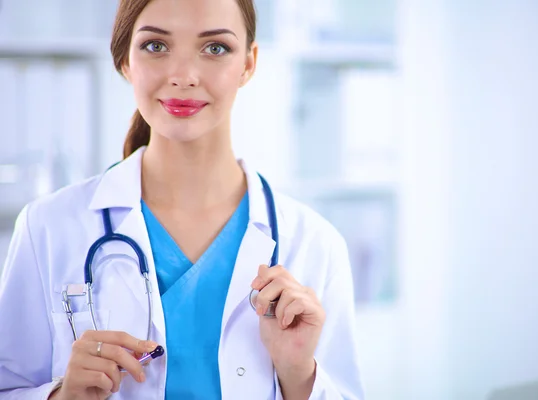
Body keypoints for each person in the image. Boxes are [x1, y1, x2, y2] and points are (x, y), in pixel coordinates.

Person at [0, 0, 363, 399]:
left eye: (215, 48)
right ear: (124, 60)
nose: (184, 76)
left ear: (248, 63)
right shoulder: (48, 227)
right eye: (156, 46)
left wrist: (299, 375)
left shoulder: (314, 243)